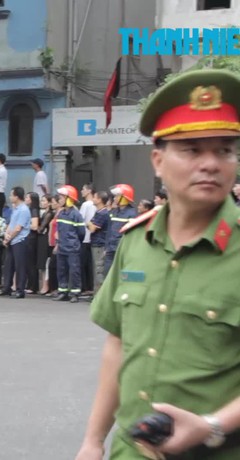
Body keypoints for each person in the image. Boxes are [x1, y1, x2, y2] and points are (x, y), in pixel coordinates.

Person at [75, 69, 240, 460]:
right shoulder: (136, 240)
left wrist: (213, 425)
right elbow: (117, 345)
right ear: (158, 160)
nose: (211, 163)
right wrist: (93, 440)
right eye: (192, 149)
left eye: (224, 149)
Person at [53, 185, 85, 303]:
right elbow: (59, 231)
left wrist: (74, 242)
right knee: (61, 270)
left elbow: (81, 233)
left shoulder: (76, 214)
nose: (59, 199)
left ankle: (75, 293)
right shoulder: (61, 214)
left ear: (69, 199)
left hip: (72, 248)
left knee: (74, 270)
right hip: (62, 246)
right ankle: (63, 291)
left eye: (62, 197)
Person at [0, 186, 31, 298]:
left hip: (20, 240)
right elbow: (11, 225)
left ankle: (20, 289)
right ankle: (7, 287)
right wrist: (6, 236)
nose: (10, 197)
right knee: (9, 265)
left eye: (11, 195)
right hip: (12, 240)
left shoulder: (23, 210)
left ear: (17, 197)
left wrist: (9, 238)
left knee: (20, 266)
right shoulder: (15, 209)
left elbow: (18, 228)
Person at [104, 183, 137, 275]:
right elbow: (109, 230)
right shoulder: (114, 212)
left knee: (120, 273)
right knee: (107, 272)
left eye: (117, 196)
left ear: (124, 198)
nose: (114, 198)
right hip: (111, 247)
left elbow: (132, 234)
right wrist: (106, 247)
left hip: (122, 248)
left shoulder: (131, 214)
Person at [87, 191, 111, 294]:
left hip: (100, 244)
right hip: (95, 243)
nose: (93, 199)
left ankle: (99, 294)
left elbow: (92, 228)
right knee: (96, 268)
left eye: (95, 197)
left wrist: (89, 223)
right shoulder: (98, 212)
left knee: (99, 268)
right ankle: (96, 292)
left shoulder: (103, 213)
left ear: (100, 200)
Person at [80, 183, 97, 295]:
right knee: (91, 264)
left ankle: (84, 287)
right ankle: (90, 287)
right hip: (92, 237)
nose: (81, 191)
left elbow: (80, 220)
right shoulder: (95, 205)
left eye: (83, 189)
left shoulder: (86, 204)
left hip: (85, 236)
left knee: (82, 263)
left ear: (89, 191)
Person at [36, 194, 55, 294]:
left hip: (45, 239)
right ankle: (44, 284)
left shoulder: (49, 214)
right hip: (42, 238)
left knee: (45, 263)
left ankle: (46, 285)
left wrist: (37, 228)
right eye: (41, 200)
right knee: (42, 264)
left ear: (49, 202)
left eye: (44, 201)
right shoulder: (44, 213)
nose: (42, 202)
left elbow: (41, 228)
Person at [25, 191, 40, 294]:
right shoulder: (28, 209)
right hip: (28, 237)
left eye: (27, 197)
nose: (26, 199)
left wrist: (24, 225)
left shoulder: (34, 210)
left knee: (31, 262)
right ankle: (29, 284)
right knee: (28, 262)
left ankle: (32, 286)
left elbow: (34, 226)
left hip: (31, 238)